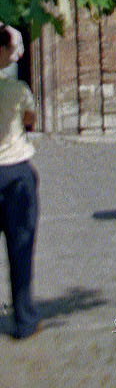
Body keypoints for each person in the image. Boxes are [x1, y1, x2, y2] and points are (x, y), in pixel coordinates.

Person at [0, 23, 39, 339]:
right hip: (15, 172)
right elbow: (30, 120)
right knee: (20, 248)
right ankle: (24, 320)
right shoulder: (19, 89)